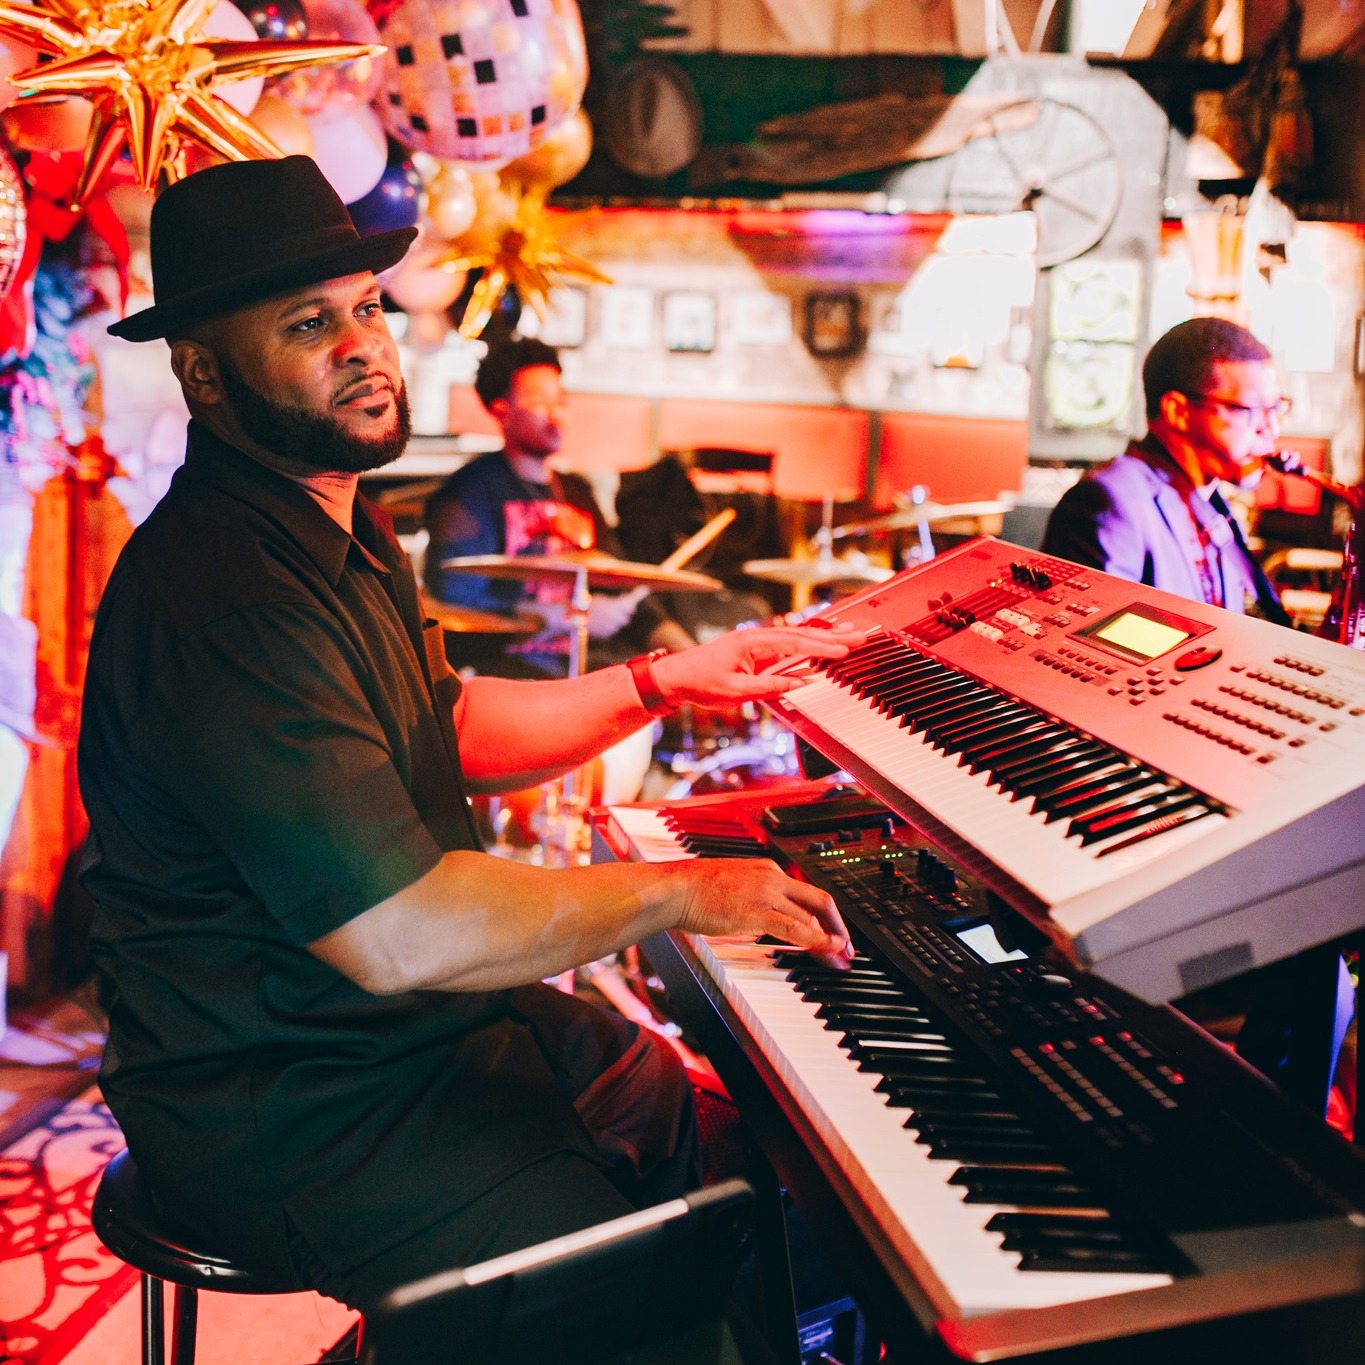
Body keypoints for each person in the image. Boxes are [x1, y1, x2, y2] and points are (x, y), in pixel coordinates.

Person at [78, 156, 863, 1317]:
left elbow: (449, 724)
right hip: (285, 1103)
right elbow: (401, 932)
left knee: (679, 1112)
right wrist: (681, 892)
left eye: (367, 308)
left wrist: (659, 680)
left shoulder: (338, 524)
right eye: (310, 323)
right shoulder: (227, 597)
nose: (365, 346)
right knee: (626, 1280)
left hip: (391, 1040)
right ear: (203, 372)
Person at [423, 337, 695, 677]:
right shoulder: (470, 493)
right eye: (539, 399)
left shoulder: (576, 492)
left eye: (561, 399)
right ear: (501, 410)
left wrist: (691, 658)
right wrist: (570, 615)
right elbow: (455, 598)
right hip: (504, 676)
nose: (558, 414)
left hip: (579, 669)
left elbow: (622, 587)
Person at [1042, 316, 1290, 624]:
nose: (1272, 430)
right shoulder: (1106, 503)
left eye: (1276, 409)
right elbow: (1090, 653)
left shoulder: (1212, 502)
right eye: (1251, 410)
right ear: (1178, 411)